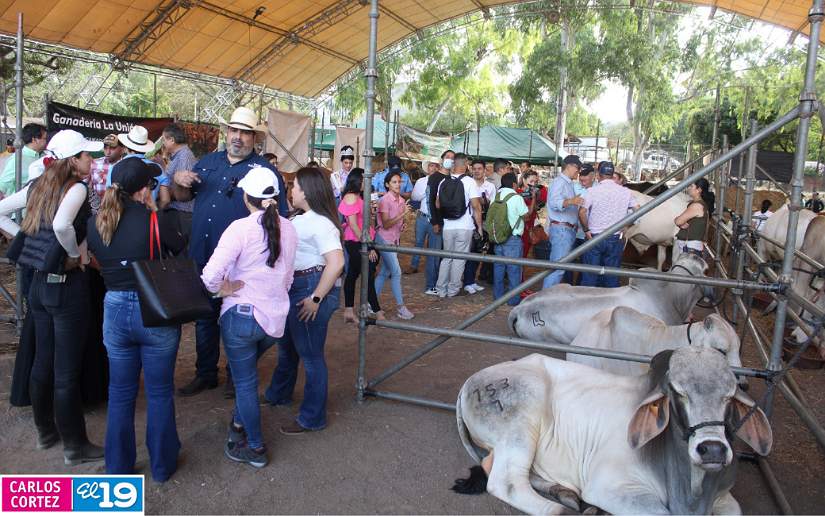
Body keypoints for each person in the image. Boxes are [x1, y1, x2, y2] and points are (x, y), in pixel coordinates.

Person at [172, 106, 288, 398]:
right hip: (204, 254)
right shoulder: (208, 162)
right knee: (204, 318)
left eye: (244, 132)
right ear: (227, 133)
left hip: (242, 263)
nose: (237, 137)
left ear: (254, 138)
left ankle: (238, 376)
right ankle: (206, 373)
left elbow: (278, 218)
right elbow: (184, 197)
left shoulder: (264, 172)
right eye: (233, 130)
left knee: (239, 319)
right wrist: (179, 183)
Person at [86, 158, 186, 480]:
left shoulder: (97, 222)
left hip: (114, 308)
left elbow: (96, 256)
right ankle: (162, 465)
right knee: (158, 392)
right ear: (144, 189)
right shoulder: (156, 222)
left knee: (120, 393)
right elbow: (180, 247)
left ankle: (118, 467)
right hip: (154, 309)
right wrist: (153, 210)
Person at [15, 129, 104, 465]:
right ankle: (75, 446)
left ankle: (45, 431)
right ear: (74, 160)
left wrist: (27, 243)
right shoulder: (78, 188)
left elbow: (3, 209)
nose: (92, 161)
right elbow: (64, 225)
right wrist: (72, 255)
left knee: (43, 362)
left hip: (38, 284)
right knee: (65, 372)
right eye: (87, 156)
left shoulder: (42, 185)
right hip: (66, 287)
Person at [200, 166, 297, 469]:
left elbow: (209, 277)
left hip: (241, 318)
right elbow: (289, 278)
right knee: (247, 378)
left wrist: (223, 288)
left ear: (246, 197)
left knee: (245, 384)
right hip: (273, 319)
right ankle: (240, 426)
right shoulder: (290, 228)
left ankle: (254, 447)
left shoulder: (240, 228)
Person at [263, 168, 344, 434]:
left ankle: (312, 417)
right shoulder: (303, 218)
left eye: (294, 186)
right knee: (287, 347)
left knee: (310, 356)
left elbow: (336, 262)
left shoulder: (321, 223)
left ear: (307, 191)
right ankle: (278, 393)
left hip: (309, 286)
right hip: (297, 285)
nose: (291, 190)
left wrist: (316, 298)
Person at [578, 161, 639, 287]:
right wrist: (627, 225)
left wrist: (586, 230)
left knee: (590, 275)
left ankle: (588, 304)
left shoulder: (592, 191)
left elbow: (582, 212)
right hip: (615, 238)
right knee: (611, 276)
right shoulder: (626, 192)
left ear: (598, 175)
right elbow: (638, 211)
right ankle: (610, 304)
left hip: (594, 237)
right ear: (612, 175)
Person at [434, 152, 483, 297]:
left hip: (448, 226)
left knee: (446, 258)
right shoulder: (469, 182)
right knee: (459, 259)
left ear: (454, 164)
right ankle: (453, 289)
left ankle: (441, 289)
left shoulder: (443, 182)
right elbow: (476, 206)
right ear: (466, 164)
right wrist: (479, 227)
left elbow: (437, 204)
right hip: (465, 226)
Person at [339, 168, 382, 322]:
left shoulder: (359, 196)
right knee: (367, 273)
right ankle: (377, 311)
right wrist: (368, 246)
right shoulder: (351, 196)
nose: (367, 183)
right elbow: (353, 225)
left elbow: (364, 221)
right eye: (364, 180)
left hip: (363, 239)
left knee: (354, 274)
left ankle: (350, 309)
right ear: (357, 180)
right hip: (356, 241)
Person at [375, 170, 414, 319]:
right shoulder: (385, 200)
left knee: (385, 272)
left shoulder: (402, 201)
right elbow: (385, 224)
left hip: (394, 239)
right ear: (387, 184)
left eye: (399, 182)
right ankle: (400, 307)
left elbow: (398, 223)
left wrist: (402, 224)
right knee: (396, 272)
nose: (398, 185)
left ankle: (371, 303)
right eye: (394, 182)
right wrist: (402, 215)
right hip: (384, 239)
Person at [544, 155, 584, 289]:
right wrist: (572, 201)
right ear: (569, 166)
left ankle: (546, 299)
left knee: (558, 268)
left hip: (566, 230)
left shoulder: (567, 183)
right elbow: (554, 203)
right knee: (557, 269)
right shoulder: (559, 182)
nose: (578, 171)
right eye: (577, 168)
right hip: (562, 230)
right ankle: (544, 302)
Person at [489, 172, 528, 306]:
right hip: (513, 239)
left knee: (498, 268)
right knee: (514, 270)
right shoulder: (516, 198)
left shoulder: (496, 195)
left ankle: (498, 297)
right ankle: (513, 300)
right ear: (513, 184)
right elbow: (526, 216)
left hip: (498, 237)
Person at [463, 159, 495, 294]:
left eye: (479, 169)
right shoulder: (466, 183)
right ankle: (466, 281)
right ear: (471, 169)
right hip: (468, 221)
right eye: (474, 168)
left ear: (484, 170)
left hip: (484, 222)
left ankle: (470, 281)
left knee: (478, 251)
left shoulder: (490, 187)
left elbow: (493, 206)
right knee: (467, 252)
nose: (476, 171)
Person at [407, 160, 440, 277]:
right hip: (422, 216)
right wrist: (427, 192)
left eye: (436, 166)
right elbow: (414, 197)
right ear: (428, 168)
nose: (434, 168)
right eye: (431, 165)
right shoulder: (421, 181)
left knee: (433, 245)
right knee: (418, 242)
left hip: (435, 218)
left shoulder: (443, 181)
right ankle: (414, 265)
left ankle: (431, 268)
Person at [565, 162, 596, 285]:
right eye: (580, 176)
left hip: (589, 233)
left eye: (586, 176)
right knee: (568, 260)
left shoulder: (598, 190)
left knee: (587, 262)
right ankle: (567, 285)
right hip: (572, 231)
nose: (582, 179)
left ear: (593, 175)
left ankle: (579, 286)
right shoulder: (573, 187)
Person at [0, 123, 48, 195]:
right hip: (23, 204)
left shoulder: (45, 155)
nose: (47, 141)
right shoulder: (17, 160)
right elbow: (2, 186)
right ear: (34, 140)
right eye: (45, 138)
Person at [674, 177, 715, 257]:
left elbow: (678, 221)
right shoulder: (699, 204)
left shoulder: (696, 206)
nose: (689, 188)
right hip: (691, 246)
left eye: (691, 186)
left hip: (689, 247)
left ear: (698, 190)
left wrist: (678, 221)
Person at [518, 169, 548, 258]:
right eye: (531, 181)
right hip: (519, 229)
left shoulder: (537, 191)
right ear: (524, 180)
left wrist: (536, 196)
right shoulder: (517, 193)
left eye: (535, 181)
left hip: (529, 228)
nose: (533, 184)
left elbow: (539, 206)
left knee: (525, 254)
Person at [89, 134, 125, 206]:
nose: (108, 152)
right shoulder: (94, 164)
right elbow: (88, 187)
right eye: (105, 148)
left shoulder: (126, 166)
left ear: (122, 150)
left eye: (112, 148)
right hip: (97, 209)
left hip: (120, 209)